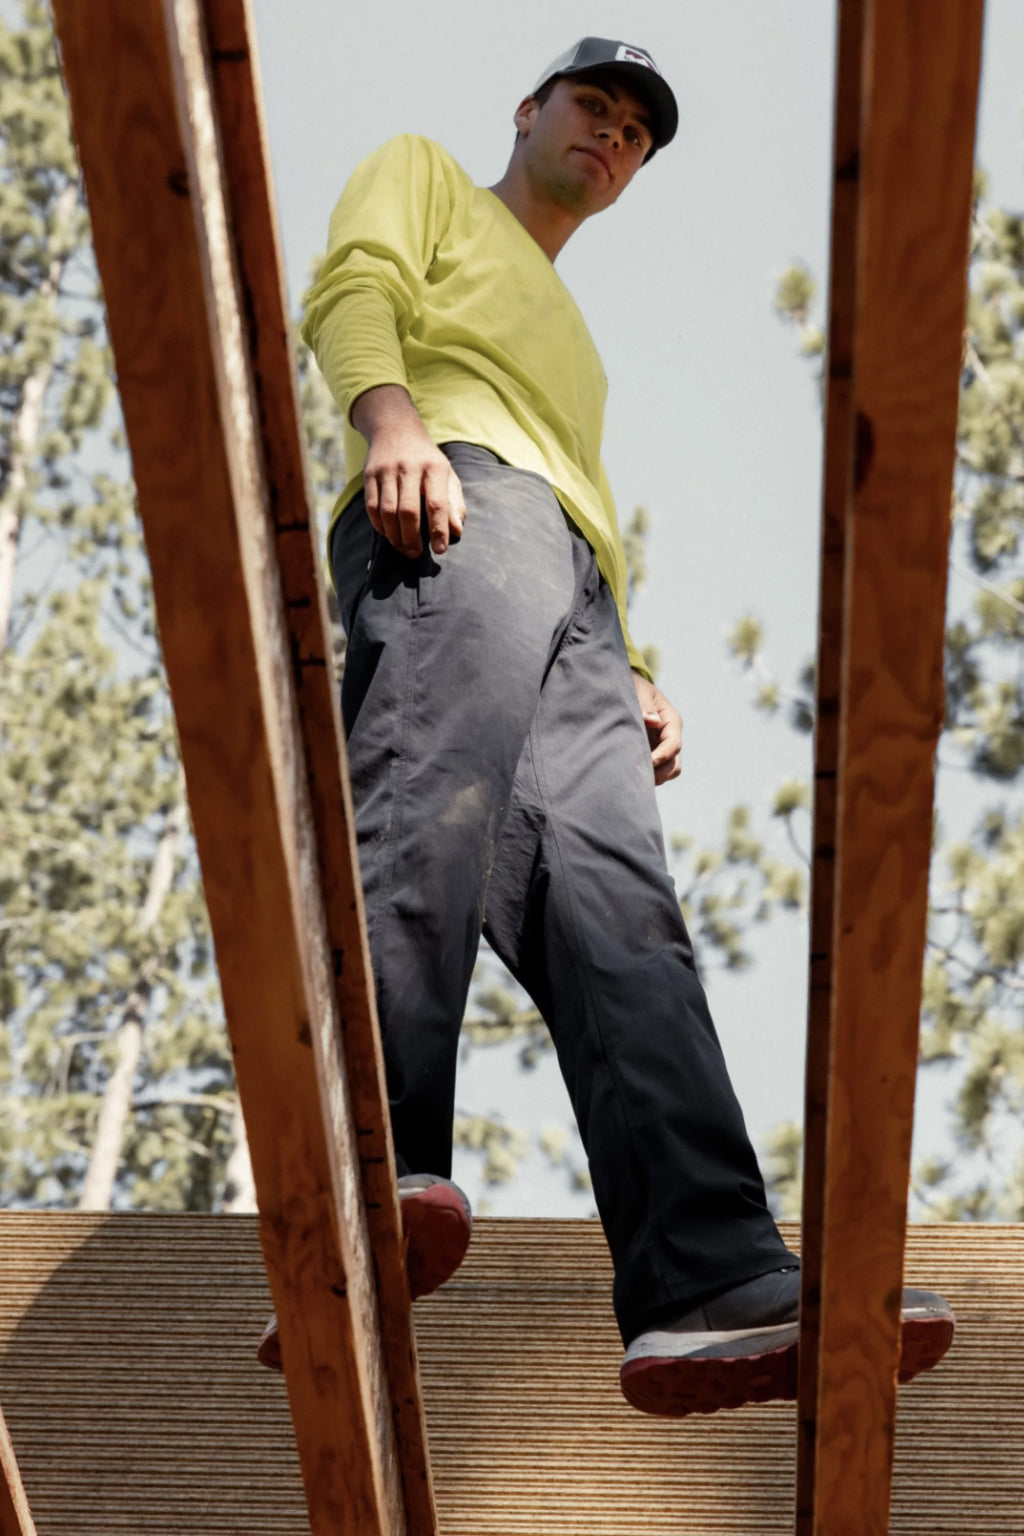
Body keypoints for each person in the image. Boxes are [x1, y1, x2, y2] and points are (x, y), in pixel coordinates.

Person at [259, 37, 954, 1415]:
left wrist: (624, 660)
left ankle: (704, 1276)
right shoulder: (428, 175)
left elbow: (573, 497)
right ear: (529, 111)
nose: (614, 136)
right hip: (454, 492)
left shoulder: (574, 338)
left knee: (625, 917)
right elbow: (355, 287)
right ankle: (367, 1162)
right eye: (596, 107)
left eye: (637, 132)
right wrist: (391, 422)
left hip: (571, 587)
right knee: (427, 794)